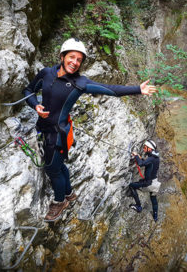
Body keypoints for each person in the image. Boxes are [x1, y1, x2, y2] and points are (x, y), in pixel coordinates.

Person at [23, 38, 157, 222]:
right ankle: (69, 194)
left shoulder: (80, 83)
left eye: (79, 60)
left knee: (53, 170)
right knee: (60, 166)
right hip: (44, 128)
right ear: (62, 56)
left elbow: (110, 89)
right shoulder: (46, 73)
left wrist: (137, 90)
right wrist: (35, 106)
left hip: (58, 134)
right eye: (71, 57)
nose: (75, 62)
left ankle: (60, 201)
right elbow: (29, 90)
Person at [129, 139, 160, 222]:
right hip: (154, 182)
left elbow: (140, 164)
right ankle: (155, 216)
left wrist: (136, 156)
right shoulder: (155, 157)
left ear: (149, 149)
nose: (143, 149)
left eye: (145, 147)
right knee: (153, 199)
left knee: (131, 186)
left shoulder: (151, 158)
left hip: (148, 183)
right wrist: (140, 158)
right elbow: (146, 163)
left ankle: (138, 206)